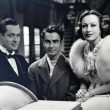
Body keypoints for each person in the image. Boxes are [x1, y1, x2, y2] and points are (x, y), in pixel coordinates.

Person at [28, 25, 79, 101]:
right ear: (43, 43)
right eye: (47, 41)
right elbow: (33, 98)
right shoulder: (33, 69)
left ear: (61, 42)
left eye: (55, 41)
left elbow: (72, 95)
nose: (51, 46)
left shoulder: (72, 66)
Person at [69, 10, 110, 102]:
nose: (88, 30)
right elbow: (84, 77)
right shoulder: (82, 50)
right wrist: (83, 89)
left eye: (93, 25)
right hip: (90, 94)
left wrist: (91, 93)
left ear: (101, 27)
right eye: (84, 26)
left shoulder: (108, 47)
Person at [0, 18, 29, 87]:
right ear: (1, 36)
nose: (15, 40)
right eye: (11, 35)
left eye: (18, 35)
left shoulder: (22, 60)